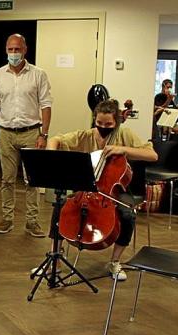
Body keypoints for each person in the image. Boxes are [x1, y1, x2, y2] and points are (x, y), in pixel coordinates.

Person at [46, 99, 158, 280]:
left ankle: (114, 262)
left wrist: (123, 150)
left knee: (128, 214)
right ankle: (55, 259)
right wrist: (51, 154)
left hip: (114, 190)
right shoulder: (86, 135)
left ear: (117, 123)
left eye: (108, 124)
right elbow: (56, 139)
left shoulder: (125, 134)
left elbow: (152, 155)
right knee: (60, 206)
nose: (103, 127)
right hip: (87, 187)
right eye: (99, 123)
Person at [0, 33, 53, 238]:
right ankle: (7, 218)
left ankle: (32, 221)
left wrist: (44, 134)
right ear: (6, 50)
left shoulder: (38, 74)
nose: (13, 53)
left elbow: (46, 104)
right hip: (5, 133)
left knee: (32, 179)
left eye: (17, 49)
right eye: (10, 49)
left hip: (31, 132)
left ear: (25, 50)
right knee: (7, 179)